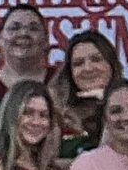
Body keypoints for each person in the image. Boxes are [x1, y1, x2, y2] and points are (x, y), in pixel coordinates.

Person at [49, 28, 122, 157]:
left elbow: (107, 162)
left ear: (112, 64)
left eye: (96, 59)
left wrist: (109, 102)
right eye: (78, 63)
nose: (88, 68)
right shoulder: (58, 110)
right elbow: (48, 165)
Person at [0, 2, 53, 95]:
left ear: (46, 40)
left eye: (33, 28)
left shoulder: (61, 81)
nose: (23, 33)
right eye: (14, 28)